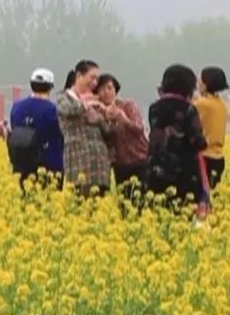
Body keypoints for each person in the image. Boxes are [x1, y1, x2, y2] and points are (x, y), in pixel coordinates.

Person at [147, 64, 209, 217]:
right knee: (184, 214)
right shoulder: (188, 109)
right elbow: (196, 140)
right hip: (183, 172)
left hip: (156, 169)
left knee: (161, 213)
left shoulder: (154, 108)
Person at [57, 60, 112, 197]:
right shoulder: (65, 96)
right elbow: (68, 110)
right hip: (78, 160)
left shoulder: (97, 101)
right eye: (92, 78)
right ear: (79, 76)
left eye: (97, 79)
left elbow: (108, 130)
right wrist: (86, 105)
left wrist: (100, 117)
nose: (94, 82)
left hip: (100, 164)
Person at [9, 69, 64, 192]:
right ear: (50, 87)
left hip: (22, 164)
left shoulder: (17, 107)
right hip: (49, 165)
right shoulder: (53, 110)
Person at [95, 74, 148, 199]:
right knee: (124, 200)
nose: (106, 92)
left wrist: (122, 117)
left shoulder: (128, 105)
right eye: (102, 89)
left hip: (139, 159)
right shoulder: (97, 112)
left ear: (115, 90)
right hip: (120, 164)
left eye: (109, 88)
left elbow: (139, 129)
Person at [195, 67, 228, 191]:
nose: (198, 83)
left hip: (204, 157)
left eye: (200, 80)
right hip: (219, 158)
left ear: (205, 84)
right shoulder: (223, 105)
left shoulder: (201, 104)